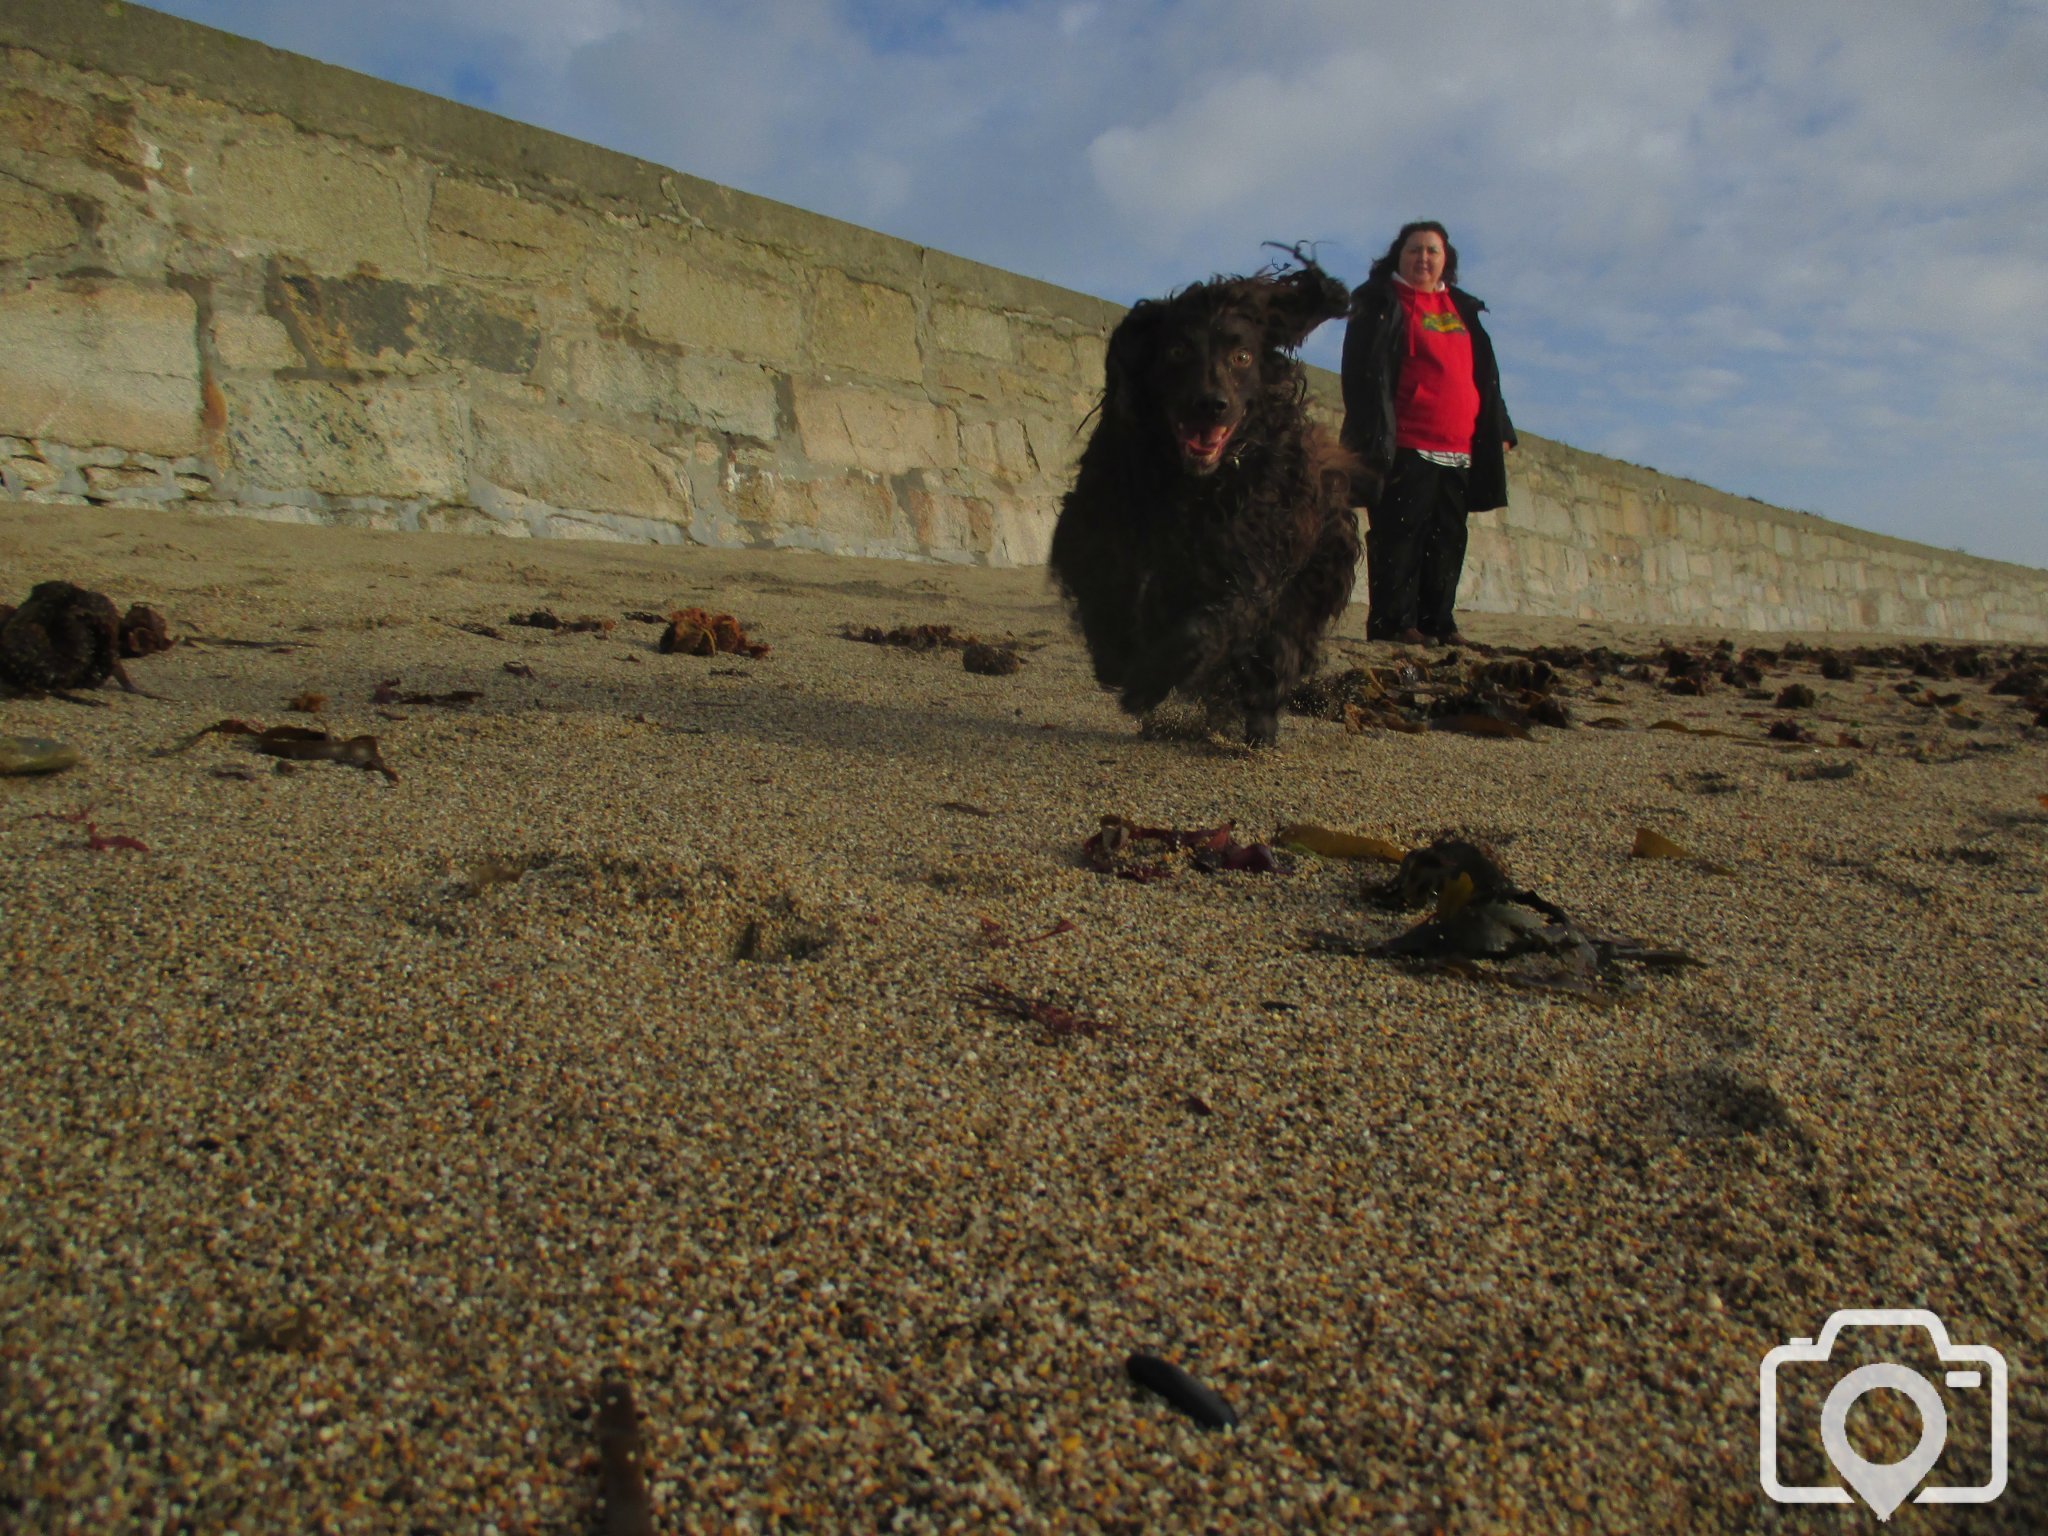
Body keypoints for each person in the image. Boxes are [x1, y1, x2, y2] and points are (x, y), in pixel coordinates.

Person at [1340, 220, 1516, 645]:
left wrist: (1500, 428)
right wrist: (1371, 431)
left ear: (1445, 260)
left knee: (1448, 538)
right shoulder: (1381, 302)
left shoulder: (1461, 308)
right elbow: (1360, 373)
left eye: (1432, 251)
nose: (1423, 258)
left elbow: (1484, 375)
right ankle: (1393, 624)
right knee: (1400, 535)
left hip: (1459, 446)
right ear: (1398, 257)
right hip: (1405, 443)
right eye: (1414, 250)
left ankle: (1438, 621)